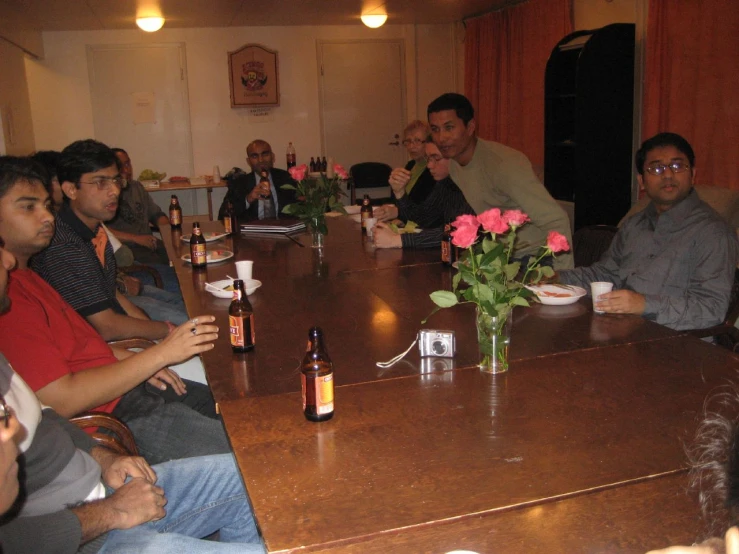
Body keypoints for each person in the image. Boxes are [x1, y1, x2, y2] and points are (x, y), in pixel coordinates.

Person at [0, 278, 264, 551]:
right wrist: (112, 511)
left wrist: (102, 457)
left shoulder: (27, 281)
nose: (6, 260)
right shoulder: (13, 307)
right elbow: (13, 541)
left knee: (258, 468)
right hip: (91, 527)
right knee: (246, 449)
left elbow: (44, 414)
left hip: (104, 486)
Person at [0, 155, 230, 464]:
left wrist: (144, 363)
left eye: (46, 206)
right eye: (28, 207)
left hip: (127, 386)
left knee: (236, 410)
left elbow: (88, 346)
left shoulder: (28, 276)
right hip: (116, 417)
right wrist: (158, 354)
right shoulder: (8, 300)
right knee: (244, 455)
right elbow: (62, 400)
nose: (47, 217)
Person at [558, 132, 739, 331]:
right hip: (621, 332)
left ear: (693, 175)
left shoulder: (713, 233)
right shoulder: (634, 225)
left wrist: (643, 304)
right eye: (656, 168)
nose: (668, 174)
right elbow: (605, 274)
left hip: (678, 345)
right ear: (642, 181)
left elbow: (711, 309)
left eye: (678, 166)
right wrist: (554, 279)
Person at [31, 139, 184, 341]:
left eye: (115, 180)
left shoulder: (96, 230)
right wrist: (171, 333)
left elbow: (112, 293)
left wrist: (158, 330)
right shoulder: (63, 245)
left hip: (116, 328)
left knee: (190, 312)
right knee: (191, 323)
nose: (115, 191)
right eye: (100, 182)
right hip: (94, 348)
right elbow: (107, 327)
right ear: (71, 190)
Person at [427, 92, 574, 270]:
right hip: (504, 258)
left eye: (449, 127)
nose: (441, 138)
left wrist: (564, 282)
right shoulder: (455, 165)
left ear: (470, 126)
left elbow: (557, 220)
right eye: (435, 129)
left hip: (538, 260)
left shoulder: (503, 165)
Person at [374, 138, 475, 249]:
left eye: (436, 158)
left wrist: (397, 240)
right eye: (428, 158)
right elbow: (421, 219)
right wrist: (399, 192)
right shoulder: (445, 183)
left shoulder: (473, 185)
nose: (429, 165)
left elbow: (458, 232)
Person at [107, 147, 181, 294]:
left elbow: (156, 214)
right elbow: (101, 230)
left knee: (184, 262)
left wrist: (169, 230)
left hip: (150, 243)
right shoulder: (107, 194)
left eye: (128, 164)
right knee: (172, 278)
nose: (126, 170)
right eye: (121, 166)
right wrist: (135, 238)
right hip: (128, 250)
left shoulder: (136, 187)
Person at [217, 139, 297, 221]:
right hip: (251, 231)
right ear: (248, 161)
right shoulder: (239, 183)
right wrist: (248, 199)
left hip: (283, 229)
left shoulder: (287, 178)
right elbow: (222, 216)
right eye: (255, 156)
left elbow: (301, 208)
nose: (261, 160)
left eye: (265, 154)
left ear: (273, 157)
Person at [387, 120, 437, 206]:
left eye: (417, 141)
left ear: (429, 142)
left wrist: (397, 213)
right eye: (408, 141)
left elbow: (420, 205)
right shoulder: (410, 165)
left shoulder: (433, 170)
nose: (411, 146)